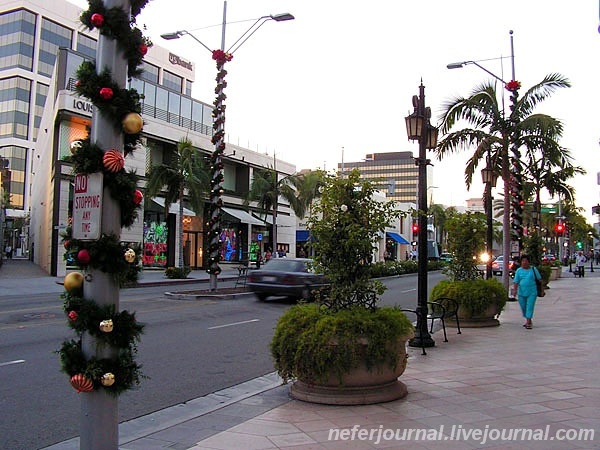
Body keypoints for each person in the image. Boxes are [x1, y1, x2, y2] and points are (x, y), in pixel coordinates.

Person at [512, 255, 543, 330]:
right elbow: (516, 281)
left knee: (530, 306)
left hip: (532, 292)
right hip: (521, 292)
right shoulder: (519, 271)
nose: (524, 262)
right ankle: (528, 319)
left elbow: (539, 280)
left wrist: (542, 290)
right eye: (523, 261)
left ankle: (528, 322)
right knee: (523, 307)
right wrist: (515, 290)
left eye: (526, 261)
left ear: (529, 262)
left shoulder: (533, 269)